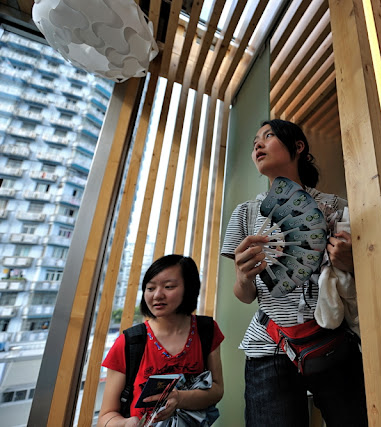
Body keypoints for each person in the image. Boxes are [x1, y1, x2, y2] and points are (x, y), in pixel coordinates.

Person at [221, 119, 367, 426]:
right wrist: (244, 277)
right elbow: (245, 296)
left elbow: (364, 279)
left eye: (268, 136)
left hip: (331, 340)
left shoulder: (335, 206)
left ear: (298, 146)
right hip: (268, 346)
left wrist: (350, 263)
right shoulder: (245, 213)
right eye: (254, 142)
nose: (257, 145)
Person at [98, 255, 224, 427]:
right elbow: (106, 416)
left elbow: (217, 390)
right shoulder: (130, 342)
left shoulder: (207, 330)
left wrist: (179, 398)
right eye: (150, 288)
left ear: (190, 288)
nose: (157, 295)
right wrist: (127, 424)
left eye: (168, 286)